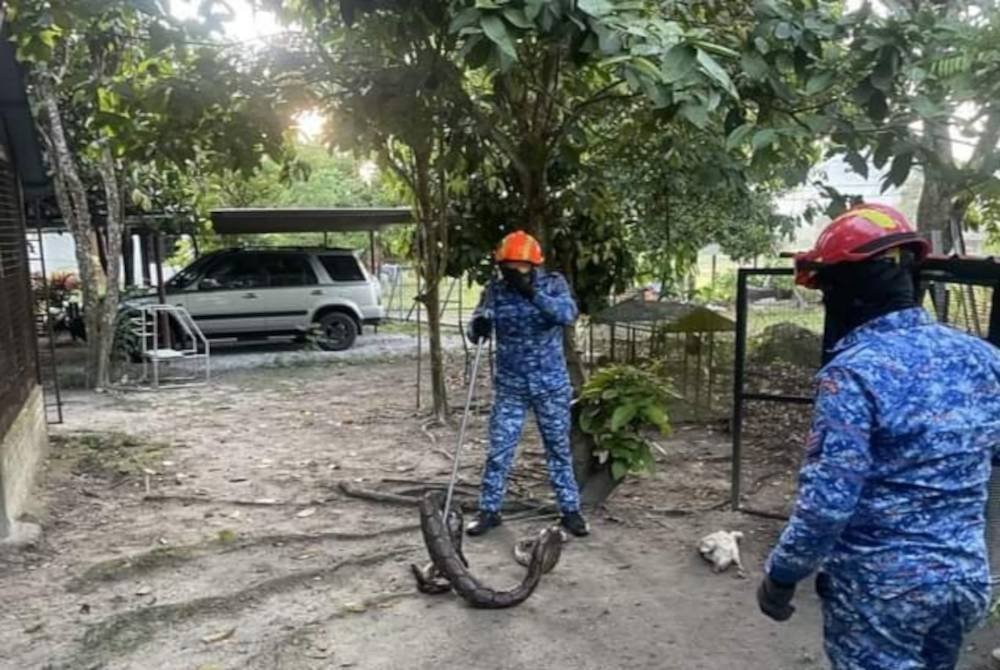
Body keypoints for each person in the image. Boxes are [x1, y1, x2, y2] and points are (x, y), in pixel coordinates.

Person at [756, 203, 1000, 670]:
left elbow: (829, 500)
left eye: (827, 289)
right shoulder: (982, 358)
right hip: (965, 583)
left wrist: (783, 574)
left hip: (882, 593)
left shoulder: (853, 374)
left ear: (849, 291)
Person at [465, 230, 589, 538]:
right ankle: (489, 510)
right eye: (507, 265)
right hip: (510, 385)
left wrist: (533, 294)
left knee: (558, 449)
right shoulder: (495, 290)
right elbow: (478, 324)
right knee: (499, 450)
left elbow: (567, 314)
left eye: (519, 266)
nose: (512, 271)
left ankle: (570, 511)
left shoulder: (553, 284)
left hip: (550, 385)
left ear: (533, 265)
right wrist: (478, 326)